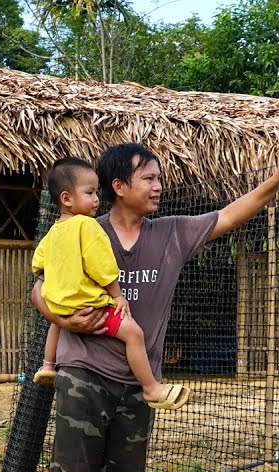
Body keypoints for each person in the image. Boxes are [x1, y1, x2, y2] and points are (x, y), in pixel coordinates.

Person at [31, 142, 279, 472]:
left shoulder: (172, 233)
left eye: (159, 178)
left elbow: (229, 216)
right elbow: (40, 286)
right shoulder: (82, 228)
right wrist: (59, 317)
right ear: (118, 187)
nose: (159, 187)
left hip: (140, 381)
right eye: (149, 178)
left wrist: (276, 180)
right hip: (84, 370)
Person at [31, 157, 188, 410]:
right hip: (91, 306)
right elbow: (102, 267)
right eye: (90, 193)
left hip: (61, 305)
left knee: (56, 326)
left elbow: (38, 266)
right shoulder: (87, 225)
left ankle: (48, 366)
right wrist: (117, 296)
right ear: (67, 199)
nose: (96, 199)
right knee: (134, 334)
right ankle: (151, 387)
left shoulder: (52, 233)